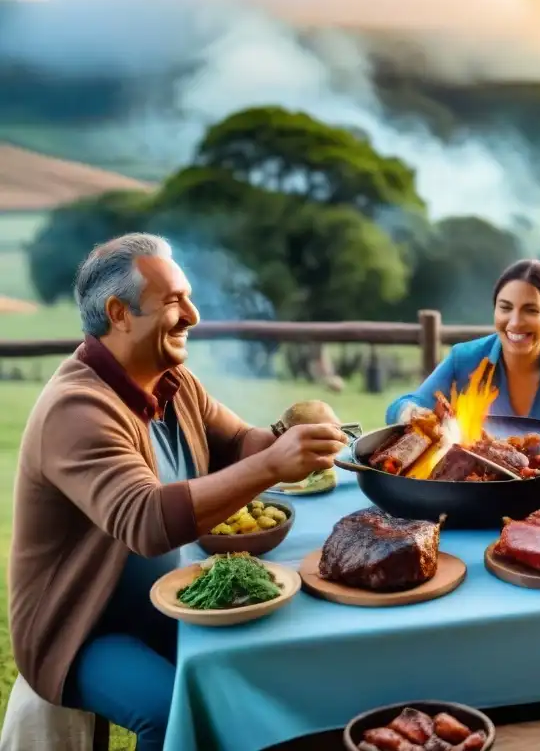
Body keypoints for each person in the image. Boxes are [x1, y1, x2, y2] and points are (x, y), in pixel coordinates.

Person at [6, 233, 348, 751]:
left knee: (263, 671)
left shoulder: (172, 380)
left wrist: (286, 437)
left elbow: (238, 443)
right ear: (119, 314)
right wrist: (274, 465)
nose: (192, 315)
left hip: (172, 597)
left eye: (188, 297)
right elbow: (145, 522)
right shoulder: (76, 410)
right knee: (169, 712)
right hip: (84, 628)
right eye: (173, 302)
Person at [385, 259, 540, 442]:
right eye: (505, 308)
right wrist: (412, 412)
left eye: (531, 310)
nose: (515, 322)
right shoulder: (464, 358)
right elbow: (402, 406)